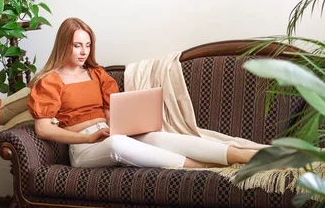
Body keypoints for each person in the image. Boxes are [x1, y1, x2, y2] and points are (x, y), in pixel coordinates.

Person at [28, 17, 257, 169]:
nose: (83, 52)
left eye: (87, 45)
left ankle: (243, 156)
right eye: (77, 45)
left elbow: (112, 116)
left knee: (157, 137)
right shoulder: (49, 81)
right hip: (84, 148)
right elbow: (43, 129)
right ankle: (203, 168)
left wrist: (129, 126)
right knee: (117, 144)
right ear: (63, 45)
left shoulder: (97, 74)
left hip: (109, 133)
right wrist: (87, 137)